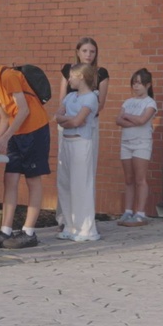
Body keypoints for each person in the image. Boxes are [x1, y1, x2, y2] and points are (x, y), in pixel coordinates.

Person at [0, 62, 51, 249]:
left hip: (35, 129)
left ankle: (29, 231)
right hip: (15, 133)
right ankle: (5, 230)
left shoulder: (7, 77)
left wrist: (5, 138)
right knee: (10, 179)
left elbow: (24, 110)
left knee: (32, 179)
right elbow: (5, 117)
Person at [54, 64, 101, 242]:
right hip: (66, 142)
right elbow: (59, 117)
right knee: (65, 184)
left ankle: (86, 229)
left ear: (81, 76)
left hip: (81, 142)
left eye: (72, 76)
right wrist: (69, 120)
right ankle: (69, 225)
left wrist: (68, 120)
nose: (69, 79)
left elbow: (78, 121)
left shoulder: (91, 98)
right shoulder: (70, 97)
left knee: (81, 185)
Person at [116, 69, 157, 226]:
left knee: (140, 179)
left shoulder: (150, 103)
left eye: (139, 83)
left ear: (147, 85)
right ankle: (128, 211)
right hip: (126, 143)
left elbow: (142, 120)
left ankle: (140, 213)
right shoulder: (127, 102)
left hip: (141, 143)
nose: (136, 86)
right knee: (129, 179)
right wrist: (130, 119)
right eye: (134, 83)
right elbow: (118, 120)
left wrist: (127, 117)